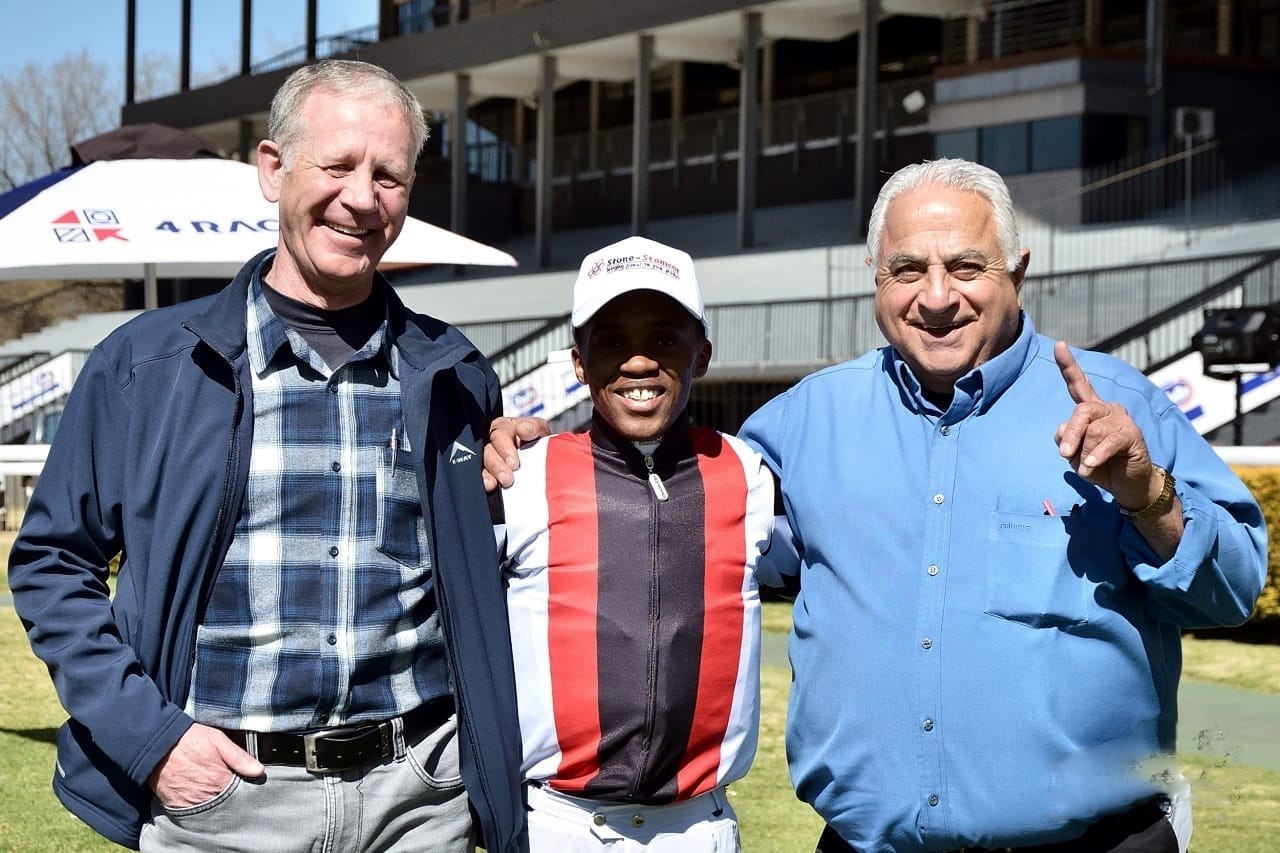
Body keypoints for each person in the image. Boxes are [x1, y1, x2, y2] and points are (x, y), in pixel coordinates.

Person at [485, 159, 1268, 853]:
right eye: (906, 269)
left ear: (1017, 271)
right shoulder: (797, 425)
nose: (936, 297)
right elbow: (680, 527)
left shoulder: (1119, 405)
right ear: (874, 277)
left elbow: (1233, 590)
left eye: (966, 266)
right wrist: (525, 448)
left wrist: (1147, 493)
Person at [8, 60, 524, 853]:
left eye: (389, 175)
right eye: (339, 165)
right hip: (223, 800)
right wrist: (153, 741)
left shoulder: (453, 371)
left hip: (420, 796)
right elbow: (52, 564)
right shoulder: (146, 368)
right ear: (274, 169)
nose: (362, 197)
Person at [490, 236, 794, 852]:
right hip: (557, 827)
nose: (637, 362)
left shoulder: (750, 472)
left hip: (700, 828)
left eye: (663, 338)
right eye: (611, 342)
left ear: (701, 354)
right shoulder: (519, 476)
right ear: (578, 362)